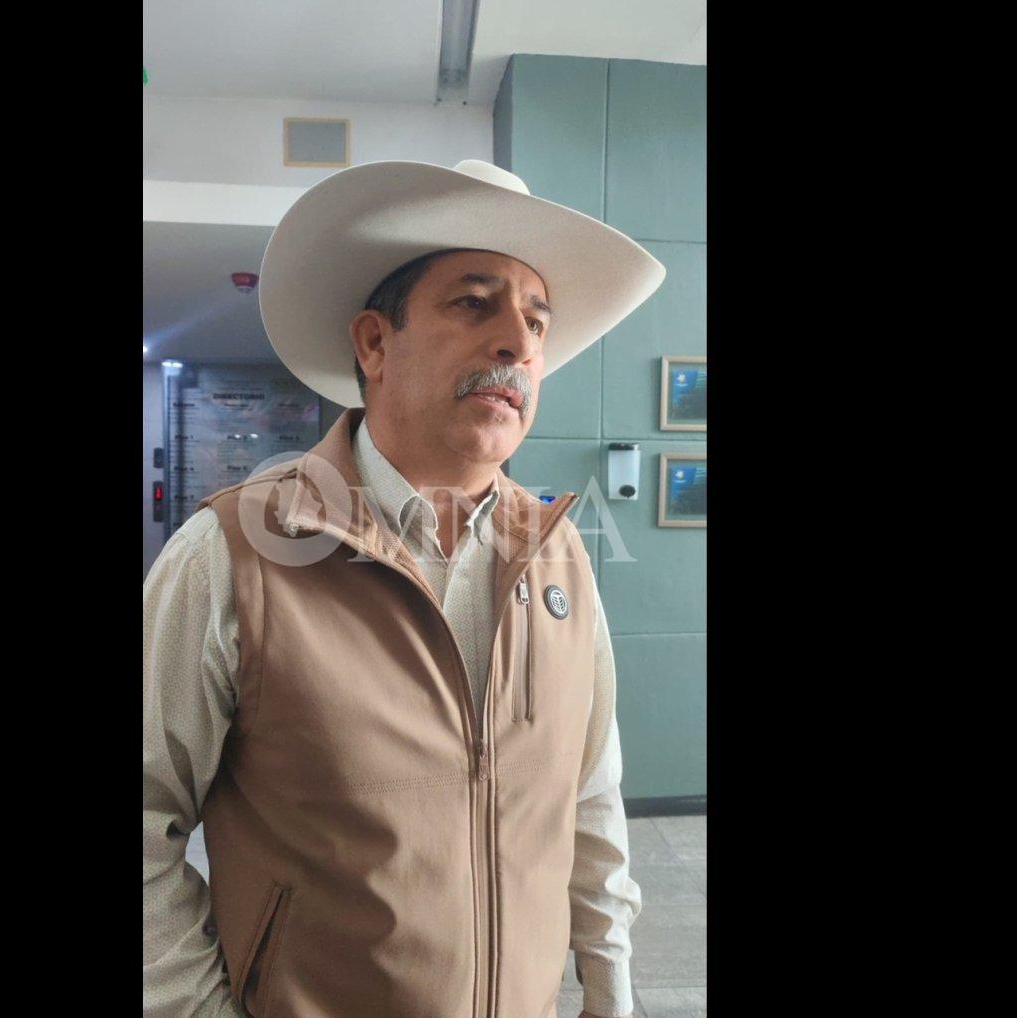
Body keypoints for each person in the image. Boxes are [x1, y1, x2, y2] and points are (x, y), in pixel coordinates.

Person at [144, 159, 666, 1018]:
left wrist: (612, 994)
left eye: (537, 319)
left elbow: (589, 797)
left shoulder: (561, 557)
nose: (519, 342)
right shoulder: (232, 553)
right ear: (374, 344)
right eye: (474, 303)